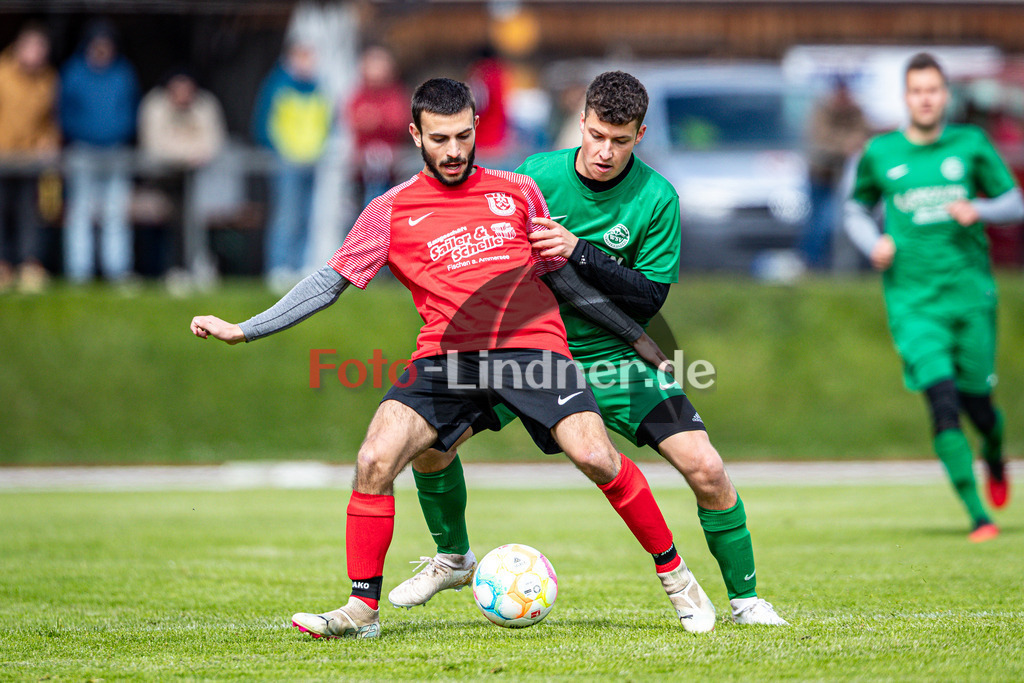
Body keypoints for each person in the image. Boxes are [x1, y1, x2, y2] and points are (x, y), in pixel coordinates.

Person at [191, 78, 718, 638]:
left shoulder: (518, 190)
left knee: (595, 455)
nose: (454, 150)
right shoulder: (389, 210)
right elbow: (327, 284)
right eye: (440, 138)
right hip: (448, 357)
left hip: (531, 348)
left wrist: (634, 335)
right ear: (416, 135)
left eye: (464, 136)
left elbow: (561, 279)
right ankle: (363, 611)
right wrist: (245, 330)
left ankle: (677, 578)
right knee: (375, 458)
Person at [393, 71, 787, 626]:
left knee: (707, 468)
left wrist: (580, 250)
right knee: (428, 445)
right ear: (581, 122)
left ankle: (746, 603)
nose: (605, 152)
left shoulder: (657, 198)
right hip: (528, 353)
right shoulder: (533, 177)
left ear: (640, 135)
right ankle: (453, 556)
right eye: (597, 135)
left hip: (615, 361)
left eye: (620, 141)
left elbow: (647, 299)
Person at [844, 53, 1021, 542]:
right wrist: (871, 242)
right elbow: (855, 209)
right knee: (942, 403)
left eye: (933, 90)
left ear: (945, 96)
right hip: (913, 302)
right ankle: (978, 514)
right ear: (907, 97)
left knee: (978, 403)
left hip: (970, 298)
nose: (925, 98)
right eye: (917, 90)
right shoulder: (882, 153)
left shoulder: (970, 144)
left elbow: (1014, 202)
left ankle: (993, 452)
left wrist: (980, 209)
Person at [59, 19, 139, 284]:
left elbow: (130, 110)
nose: (102, 50)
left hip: (116, 151)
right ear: (88, 46)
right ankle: (79, 274)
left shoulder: (123, 73)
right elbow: (63, 113)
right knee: (80, 213)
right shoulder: (73, 73)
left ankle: (117, 272)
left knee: (116, 213)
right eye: (97, 45)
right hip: (82, 151)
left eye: (107, 46)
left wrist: (117, 132)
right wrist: (83, 133)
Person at [251, 36, 331, 290]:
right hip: (285, 161)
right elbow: (263, 123)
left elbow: (324, 122)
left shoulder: (318, 87)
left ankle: (299, 266)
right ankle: (279, 266)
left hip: (312, 160)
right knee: (286, 216)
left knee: (306, 216)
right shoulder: (278, 85)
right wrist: (277, 151)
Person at [137, 67, 227, 275]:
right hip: (162, 181)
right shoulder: (155, 105)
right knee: (168, 223)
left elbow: (213, 143)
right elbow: (155, 146)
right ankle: (170, 268)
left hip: (204, 180)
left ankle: (201, 267)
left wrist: (189, 153)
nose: (183, 95)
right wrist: (188, 155)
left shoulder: (205, 104)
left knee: (205, 221)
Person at [0, 22, 59, 293]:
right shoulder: (2, 73)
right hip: (3, 157)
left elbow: (51, 120)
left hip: (31, 160)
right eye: (33, 48)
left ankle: (29, 265)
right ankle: (3, 265)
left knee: (32, 213)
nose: (37, 54)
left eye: (41, 49)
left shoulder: (48, 79)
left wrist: (50, 141)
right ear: (20, 48)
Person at [801, 76, 869, 269]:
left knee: (841, 224)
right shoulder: (821, 111)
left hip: (845, 177)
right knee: (820, 223)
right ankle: (812, 264)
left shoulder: (855, 112)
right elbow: (821, 141)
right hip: (822, 175)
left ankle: (836, 266)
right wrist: (846, 144)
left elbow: (862, 134)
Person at [346, 45, 409, 208]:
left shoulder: (394, 94)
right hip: (361, 171)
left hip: (390, 170)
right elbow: (354, 118)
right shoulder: (359, 94)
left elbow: (399, 120)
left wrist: (376, 119)